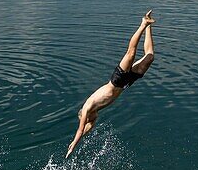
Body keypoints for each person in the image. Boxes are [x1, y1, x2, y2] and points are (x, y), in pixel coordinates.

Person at [66, 12, 156, 158]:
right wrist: (81, 138)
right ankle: (148, 25)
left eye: (88, 118)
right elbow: (86, 129)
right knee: (150, 57)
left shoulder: (88, 108)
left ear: (84, 115)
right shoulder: (94, 116)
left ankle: (142, 24)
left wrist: (73, 145)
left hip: (117, 80)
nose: (92, 119)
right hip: (125, 83)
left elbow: (80, 129)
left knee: (130, 53)